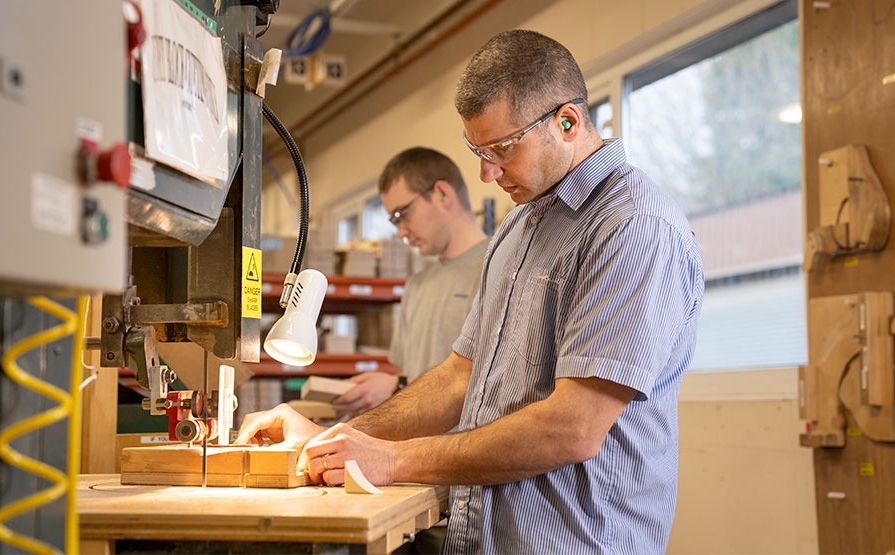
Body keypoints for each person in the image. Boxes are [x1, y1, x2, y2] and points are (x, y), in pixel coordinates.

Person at [237, 29, 704, 553]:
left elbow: (572, 428)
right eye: (476, 150)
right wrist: (335, 440)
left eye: (502, 148)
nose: (485, 174)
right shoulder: (519, 228)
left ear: (567, 122)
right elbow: (461, 376)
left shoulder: (633, 227)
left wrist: (393, 459)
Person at [330, 147, 489, 417]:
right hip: (411, 454)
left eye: (403, 214)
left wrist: (397, 387)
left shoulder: (498, 270)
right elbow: (409, 377)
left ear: (442, 193)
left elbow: (497, 383)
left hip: (466, 453)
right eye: (394, 221)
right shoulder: (416, 287)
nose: (401, 232)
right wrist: (368, 396)